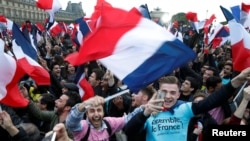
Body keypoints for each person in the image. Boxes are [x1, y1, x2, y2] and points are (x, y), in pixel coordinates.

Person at [123, 67, 250, 141]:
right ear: (158, 92)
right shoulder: (147, 111)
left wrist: (237, 80)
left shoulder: (185, 108)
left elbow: (213, 100)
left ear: (178, 94)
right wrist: (144, 114)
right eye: (164, 92)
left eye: (173, 92)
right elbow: (129, 132)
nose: (168, 96)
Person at [65, 95, 143, 141]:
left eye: (99, 110)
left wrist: (144, 108)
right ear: (87, 114)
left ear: (103, 112)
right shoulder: (83, 126)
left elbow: (127, 119)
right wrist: (85, 104)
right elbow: (71, 123)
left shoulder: (109, 123)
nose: (96, 114)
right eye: (92, 111)